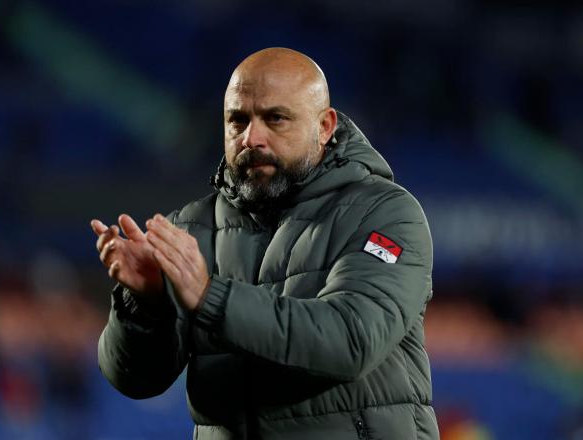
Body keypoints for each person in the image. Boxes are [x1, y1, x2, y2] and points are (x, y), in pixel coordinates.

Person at [91, 47, 439, 440]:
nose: (251, 138)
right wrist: (146, 305)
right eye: (237, 121)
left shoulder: (384, 213)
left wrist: (209, 296)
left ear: (324, 127)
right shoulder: (189, 229)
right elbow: (136, 381)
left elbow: (351, 339)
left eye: (275, 118)